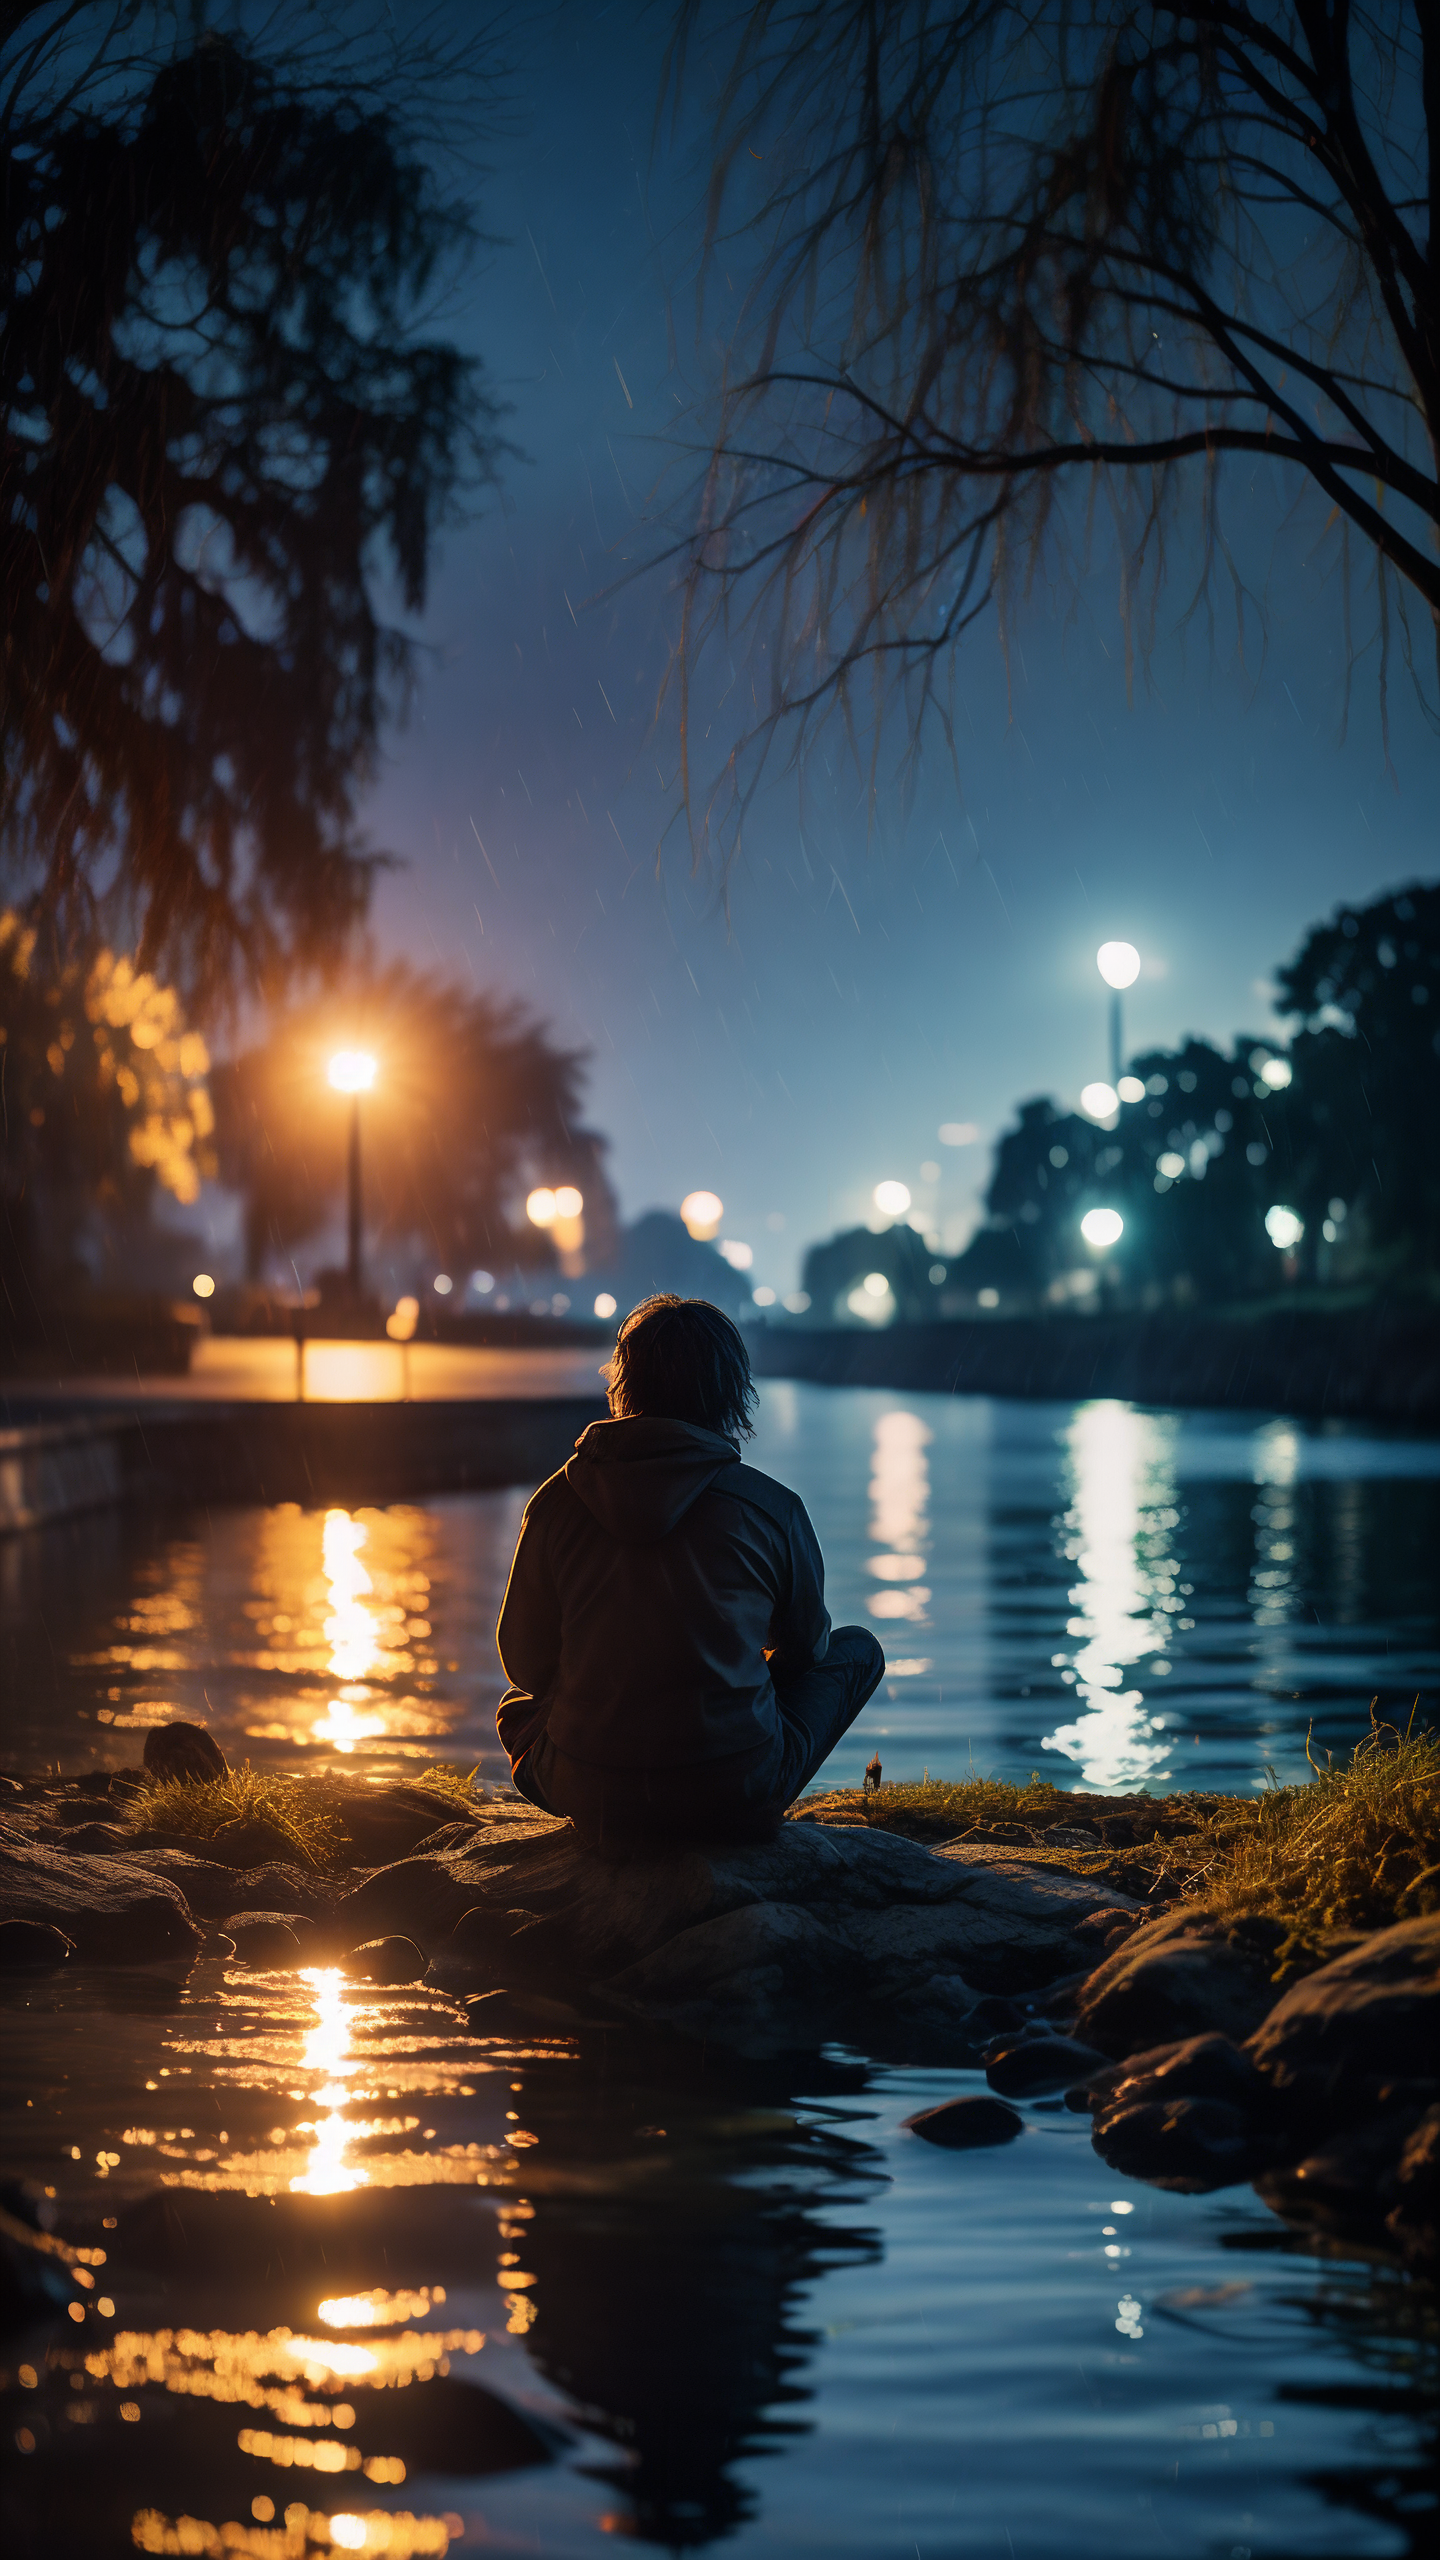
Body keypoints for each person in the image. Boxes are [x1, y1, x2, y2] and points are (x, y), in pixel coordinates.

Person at [494, 1293, 884, 1844]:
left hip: (590, 1793)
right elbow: (808, 1651)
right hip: (734, 1795)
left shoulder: (556, 1501)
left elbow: (525, 1665)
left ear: (624, 1386)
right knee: (857, 1649)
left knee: (518, 1709)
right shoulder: (771, 1508)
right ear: (731, 1393)